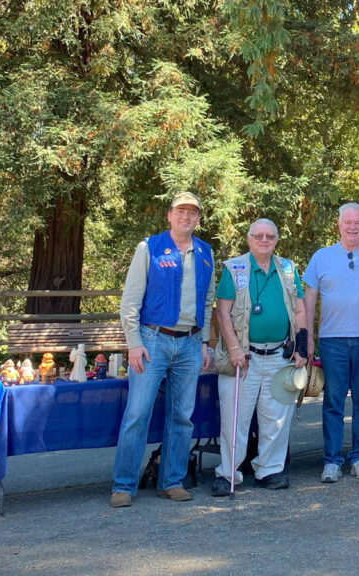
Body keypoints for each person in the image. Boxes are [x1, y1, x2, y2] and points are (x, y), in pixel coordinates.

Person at [110, 192, 215, 508]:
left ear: (198, 219)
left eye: (192, 213)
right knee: (137, 414)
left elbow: (207, 302)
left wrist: (206, 342)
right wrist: (133, 343)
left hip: (191, 343)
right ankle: (123, 486)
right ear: (169, 215)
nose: (186, 217)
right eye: (181, 211)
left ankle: (171, 481)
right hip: (152, 341)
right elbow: (130, 301)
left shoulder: (206, 253)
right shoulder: (150, 248)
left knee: (182, 416)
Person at [210, 218, 307, 496]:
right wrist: (234, 348)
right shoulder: (234, 267)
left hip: (280, 355)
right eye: (258, 236)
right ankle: (228, 473)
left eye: (270, 236)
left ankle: (269, 471)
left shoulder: (288, 269)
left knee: (276, 417)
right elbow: (223, 313)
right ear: (249, 238)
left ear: (277, 240)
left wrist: (301, 348)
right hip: (244, 356)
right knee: (235, 418)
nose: (264, 240)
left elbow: (299, 311)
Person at [304, 203, 359, 483]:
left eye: (358, 223)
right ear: (338, 224)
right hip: (332, 341)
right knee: (333, 402)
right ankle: (331, 461)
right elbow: (308, 300)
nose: (353, 227)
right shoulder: (321, 257)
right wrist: (306, 338)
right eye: (348, 222)